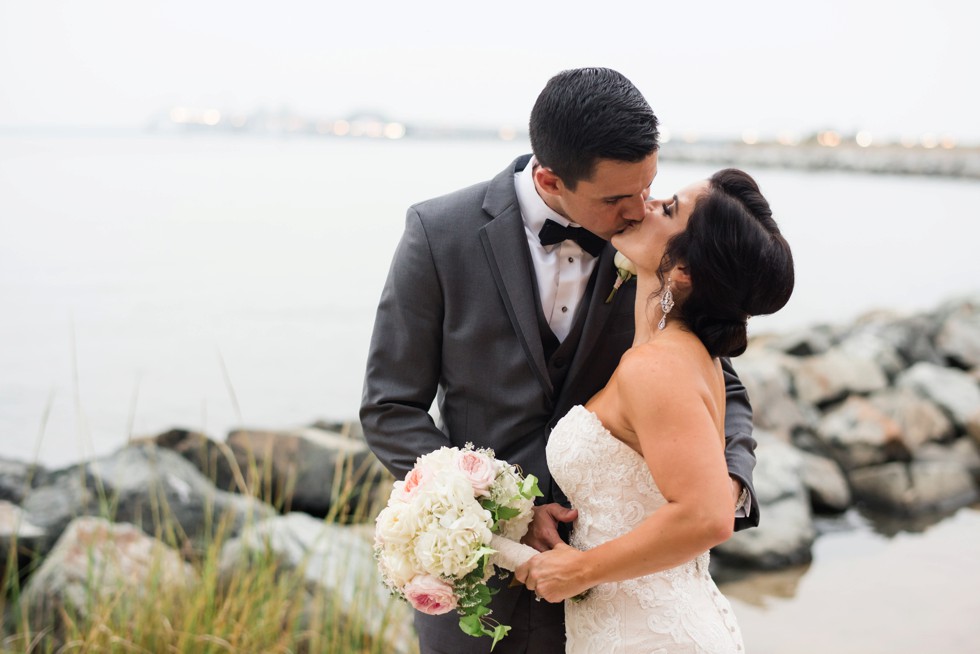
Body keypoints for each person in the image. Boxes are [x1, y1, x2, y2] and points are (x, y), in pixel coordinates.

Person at [361, 68, 759, 654]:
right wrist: (500, 512)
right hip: (485, 589)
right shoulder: (437, 233)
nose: (638, 209)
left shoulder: (653, 255)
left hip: (622, 589)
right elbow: (390, 406)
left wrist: (725, 489)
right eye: (617, 198)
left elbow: (723, 387)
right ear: (550, 178)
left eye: (648, 186)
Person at [515, 168, 795, 652]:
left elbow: (708, 517)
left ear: (683, 270)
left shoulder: (659, 366)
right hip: (636, 624)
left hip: (651, 636)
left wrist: (580, 569)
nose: (645, 204)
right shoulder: (683, 354)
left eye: (668, 209)